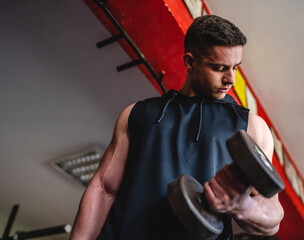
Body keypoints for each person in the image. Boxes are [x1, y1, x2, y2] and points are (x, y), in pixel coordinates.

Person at [70, 15, 284, 240]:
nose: (230, 79)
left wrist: (242, 206)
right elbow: (104, 188)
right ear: (190, 62)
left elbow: (273, 220)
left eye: (235, 68)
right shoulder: (136, 114)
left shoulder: (252, 127)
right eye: (219, 68)